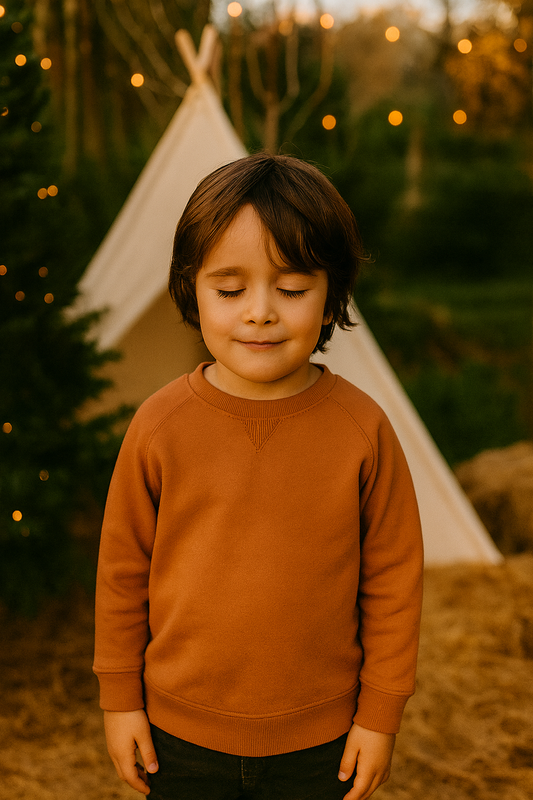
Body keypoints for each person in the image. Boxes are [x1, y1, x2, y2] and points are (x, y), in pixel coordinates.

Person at [93, 153, 424, 800]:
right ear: (191, 289)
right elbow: (120, 571)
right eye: (229, 288)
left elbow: (392, 580)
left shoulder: (363, 430)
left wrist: (378, 715)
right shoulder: (159, 426)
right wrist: (120, 700)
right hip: (177, 739)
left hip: (321, 742)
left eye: (293, 289)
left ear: (332, 295)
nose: (260, 312)